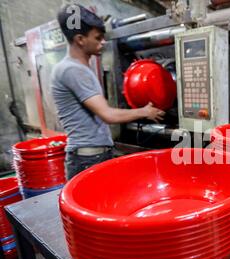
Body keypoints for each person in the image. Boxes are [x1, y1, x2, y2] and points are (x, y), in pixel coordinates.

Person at [51, 4, 165, 180]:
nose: (103, 42)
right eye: (97, 38)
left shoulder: (76, 67)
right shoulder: (73, 70)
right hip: (87, 158)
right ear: (80, 39)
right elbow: (108, 115)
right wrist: (145, 112)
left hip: (90, 155)